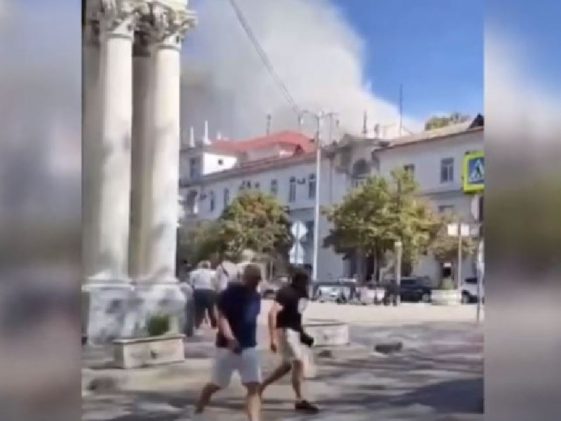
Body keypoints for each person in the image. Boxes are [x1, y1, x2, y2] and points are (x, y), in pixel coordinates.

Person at [193, 263, 263, 421]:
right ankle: (198, 409)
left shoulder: (256, 296)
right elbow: (222, 317)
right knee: (217, 384)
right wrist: (230, 338)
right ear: (245, 278)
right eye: (254, 278)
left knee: (253, 387)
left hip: (249, 346)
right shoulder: (230, 294)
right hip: (226, 348)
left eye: (258, 279)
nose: (256, 282)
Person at [259, 269, 319, 414]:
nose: (306, 284)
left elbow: (296, 316)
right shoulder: (287, 293)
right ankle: (300, 400)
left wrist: (302, 334)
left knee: (287, 366)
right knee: (299, 362)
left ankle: (260, 387)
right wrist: (272, 338)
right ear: (298, 281)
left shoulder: (302, 295)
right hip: (285, 331)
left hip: (294, 332)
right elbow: (272, 313)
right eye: (304, 281)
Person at [189, 260, 218, 330]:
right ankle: (214, 325)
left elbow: (191, 283)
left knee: (198, 310)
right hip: (210, 291)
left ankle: (197, 325)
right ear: (209, 266)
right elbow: (216, 283)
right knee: (211, 309)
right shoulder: (213, 273)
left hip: (198, 291)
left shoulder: (194, 273)